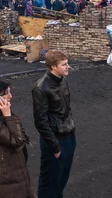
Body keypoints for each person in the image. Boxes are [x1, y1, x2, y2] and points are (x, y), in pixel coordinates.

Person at [32, 50, 76, 198]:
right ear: (53, 67)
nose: (68, 67)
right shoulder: (41, 88)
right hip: (54, 140)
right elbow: (41, 122)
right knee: (49, 179)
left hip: (68, 134)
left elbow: (66, 108)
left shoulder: (63, 80)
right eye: (64, 64)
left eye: (67, 63)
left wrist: (71, 131)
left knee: (62, 176)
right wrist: (55, 147)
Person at [0, 78, 33, 198]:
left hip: (12, 167)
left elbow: (21, 134)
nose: (11, 96)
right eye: (6, 93)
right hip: (4, 172)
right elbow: (17, 140)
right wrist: (8, 116)